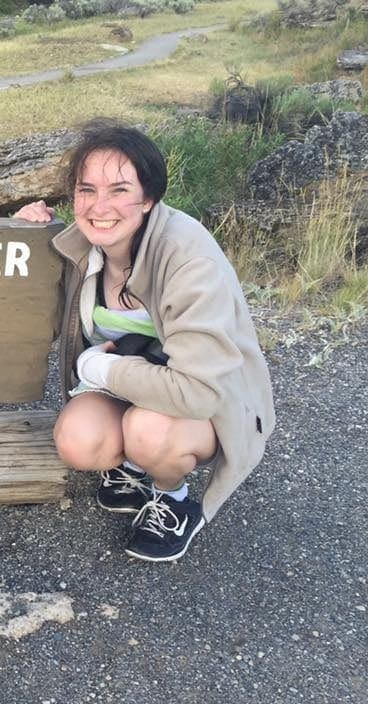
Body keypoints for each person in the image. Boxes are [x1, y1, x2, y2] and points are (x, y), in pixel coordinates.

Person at [15, 119, 274, 562]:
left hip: (203, 403)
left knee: (148, 431)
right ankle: (132, 468)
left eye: (119, 190)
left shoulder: (187, 259)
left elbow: (195, 393)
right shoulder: (84, 244)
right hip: (131, 387)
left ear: (149, 198)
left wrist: (99, 369)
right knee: (78, 439)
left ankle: (172, 497)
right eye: (86, 190)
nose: (100, 206)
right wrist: (24, 231)